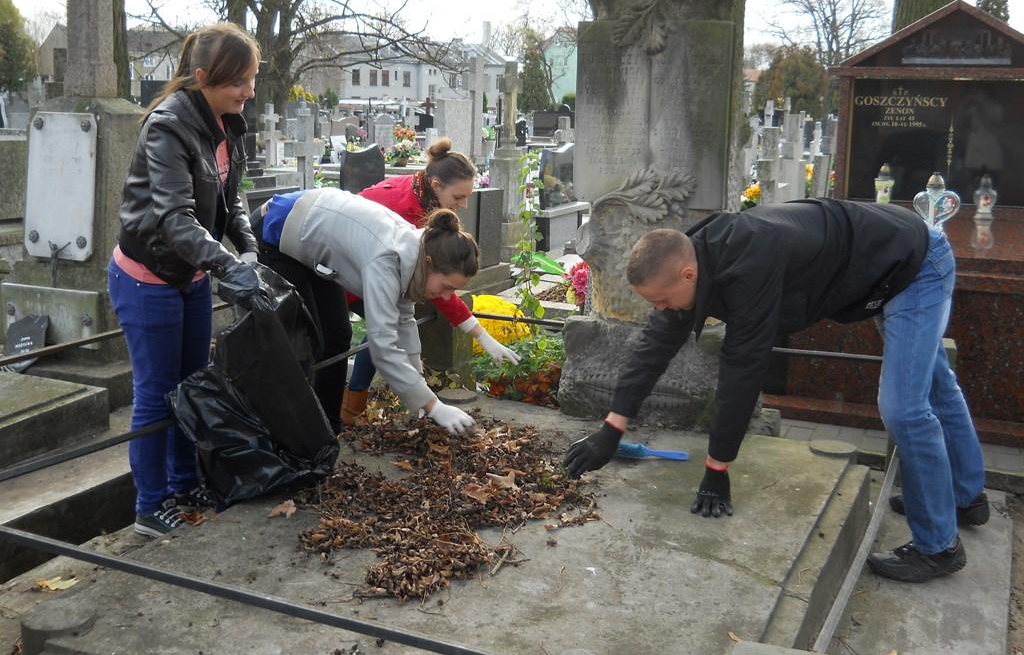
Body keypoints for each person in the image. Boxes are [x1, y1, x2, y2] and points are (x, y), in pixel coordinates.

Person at [563, 198, 987, 584]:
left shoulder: (749, 262)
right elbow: (655, 346)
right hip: (885, 262)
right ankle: (964, 499)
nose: (660, 310)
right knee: (935, 386)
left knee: (904, 406)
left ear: (687, 274)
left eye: (660, 300)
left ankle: (938, 546)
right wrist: (611, 429)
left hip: (915, 266)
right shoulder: (693, 259)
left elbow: (743, 365)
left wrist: (717, 467)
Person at [110, 22, 263, 538]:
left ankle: (183, 482)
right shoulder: (168, 127)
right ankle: (149, 506)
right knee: (156, 392)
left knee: (193, 383)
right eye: (239, 81)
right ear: (202, 77)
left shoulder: (227, 124)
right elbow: (175, 219)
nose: (249, 91)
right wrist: (228, 265)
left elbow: (231, 197)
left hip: (194, 272)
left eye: (252, 78)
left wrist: (247, 246)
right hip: (148, 275)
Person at [252, 188, 479, 436]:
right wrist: (434, 405)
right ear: (429, 264)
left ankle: (329, 429)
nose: (447, 297)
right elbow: (382, 346)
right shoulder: (387, 257)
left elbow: (404, 320)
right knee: (304, 342)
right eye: (447, 287)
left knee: (337, 335)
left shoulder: (416, 252)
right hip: (276, 232)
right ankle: (292, 433)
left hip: (314, 243)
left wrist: (421, 391)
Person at [342, 138, 519, 426]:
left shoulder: (420, 192)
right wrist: (481, 336)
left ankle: (357, 402)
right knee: (381, 333)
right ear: (437, 185)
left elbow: (440, 284)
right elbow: (439, 288)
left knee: (385, 331)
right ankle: (351, 406)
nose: (463, 205)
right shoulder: (407, 214)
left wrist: (482, 336)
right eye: (458, 197)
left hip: (363, 272)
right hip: (344, 274)